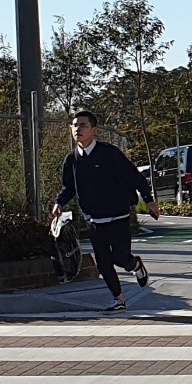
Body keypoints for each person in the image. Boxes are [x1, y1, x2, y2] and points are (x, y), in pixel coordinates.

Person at [53, 110, 160, 311]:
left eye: (83, 125)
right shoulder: (72, 160)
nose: (78, 129)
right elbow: (69, 187)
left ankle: (135, 265)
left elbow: (133, 175)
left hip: (118, 216)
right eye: (75, 125)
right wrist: (59, 203)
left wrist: (149, 200)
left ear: (94, 130)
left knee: (121, 258)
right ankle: (119, 299)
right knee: (103, 264)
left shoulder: (109, 153)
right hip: (93, 220)